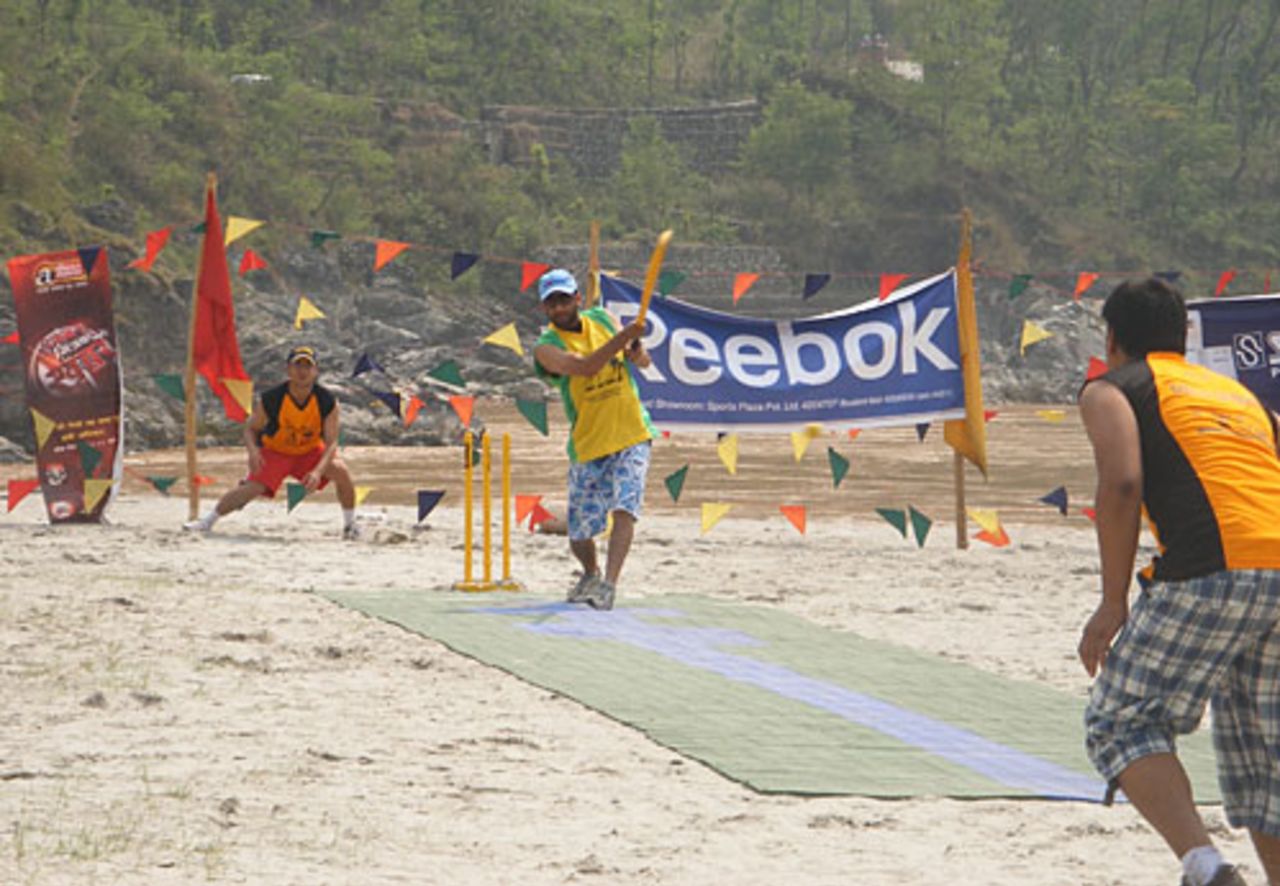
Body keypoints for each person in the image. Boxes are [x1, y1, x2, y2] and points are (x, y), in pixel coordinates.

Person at [1077, 277, 1280, 886]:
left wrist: (1112, 603)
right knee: (1262, 744)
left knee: (1119, 719)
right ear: (1186, 336)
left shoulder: (1111, 390)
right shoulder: (1242, 397)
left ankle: (1206, 867)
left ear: (1110, 339)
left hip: (1210, 567)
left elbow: (1122, 485)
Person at [533, 268, 656, 610]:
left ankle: (609, 584)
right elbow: (584, 367)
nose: (559, 308)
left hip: (632, 431)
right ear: (545, 308)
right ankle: (590, 572)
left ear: (577, 298)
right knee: (580, 530)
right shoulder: (546, 348)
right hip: (589, 442)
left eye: (563, 299)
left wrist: (635, 351)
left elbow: (641, 361)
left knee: (624, 508)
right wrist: (622, 339)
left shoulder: (601, 318)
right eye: (551, 303)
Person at [184, 345, 361, 539]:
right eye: (297, 365)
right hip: (276, 450)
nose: (302, 371)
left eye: (307, 366)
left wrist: (317, 471)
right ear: (288, 369)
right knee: (252, 489)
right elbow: (251, 429)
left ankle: (350, 525)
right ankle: (207, 522)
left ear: (315, 371)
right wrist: (253, 452)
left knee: (341, 471)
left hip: (309, 451)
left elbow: (331, 442)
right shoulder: (272, 398)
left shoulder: (326, 400)